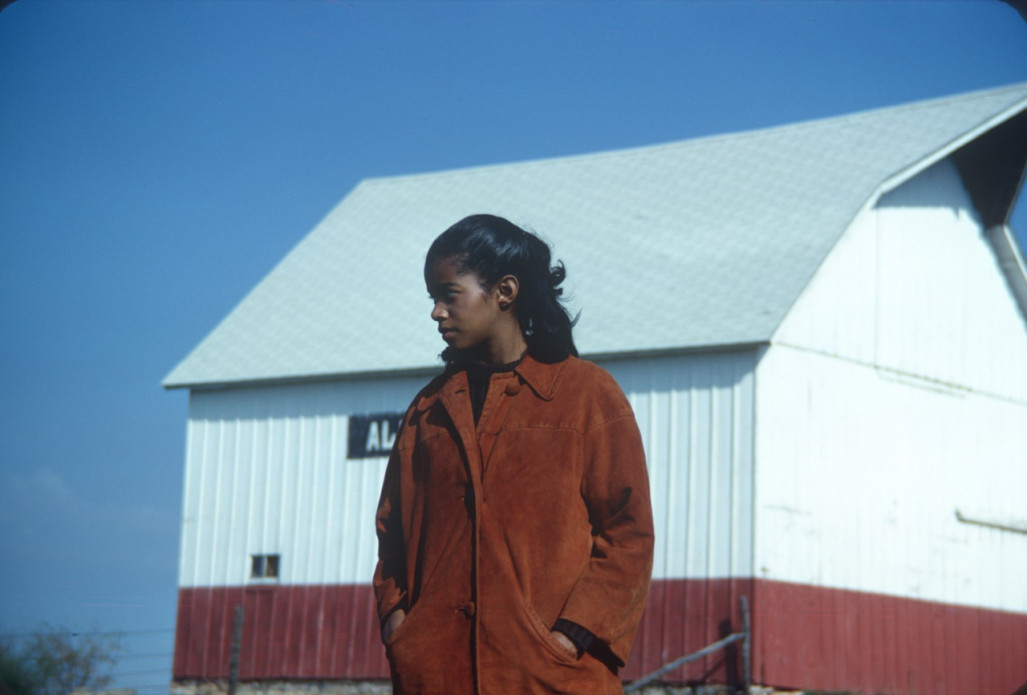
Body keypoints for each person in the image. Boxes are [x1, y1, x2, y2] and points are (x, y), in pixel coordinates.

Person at [373, 214, 654, 695]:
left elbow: (627, 533)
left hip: (550, 677)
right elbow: (392, 534)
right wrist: (400, 625)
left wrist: (572, 635)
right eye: (432, 299)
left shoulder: (587, 395)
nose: (436, 312)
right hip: (435, 674)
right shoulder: (426, 411)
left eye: (448, 294)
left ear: (504, 291)